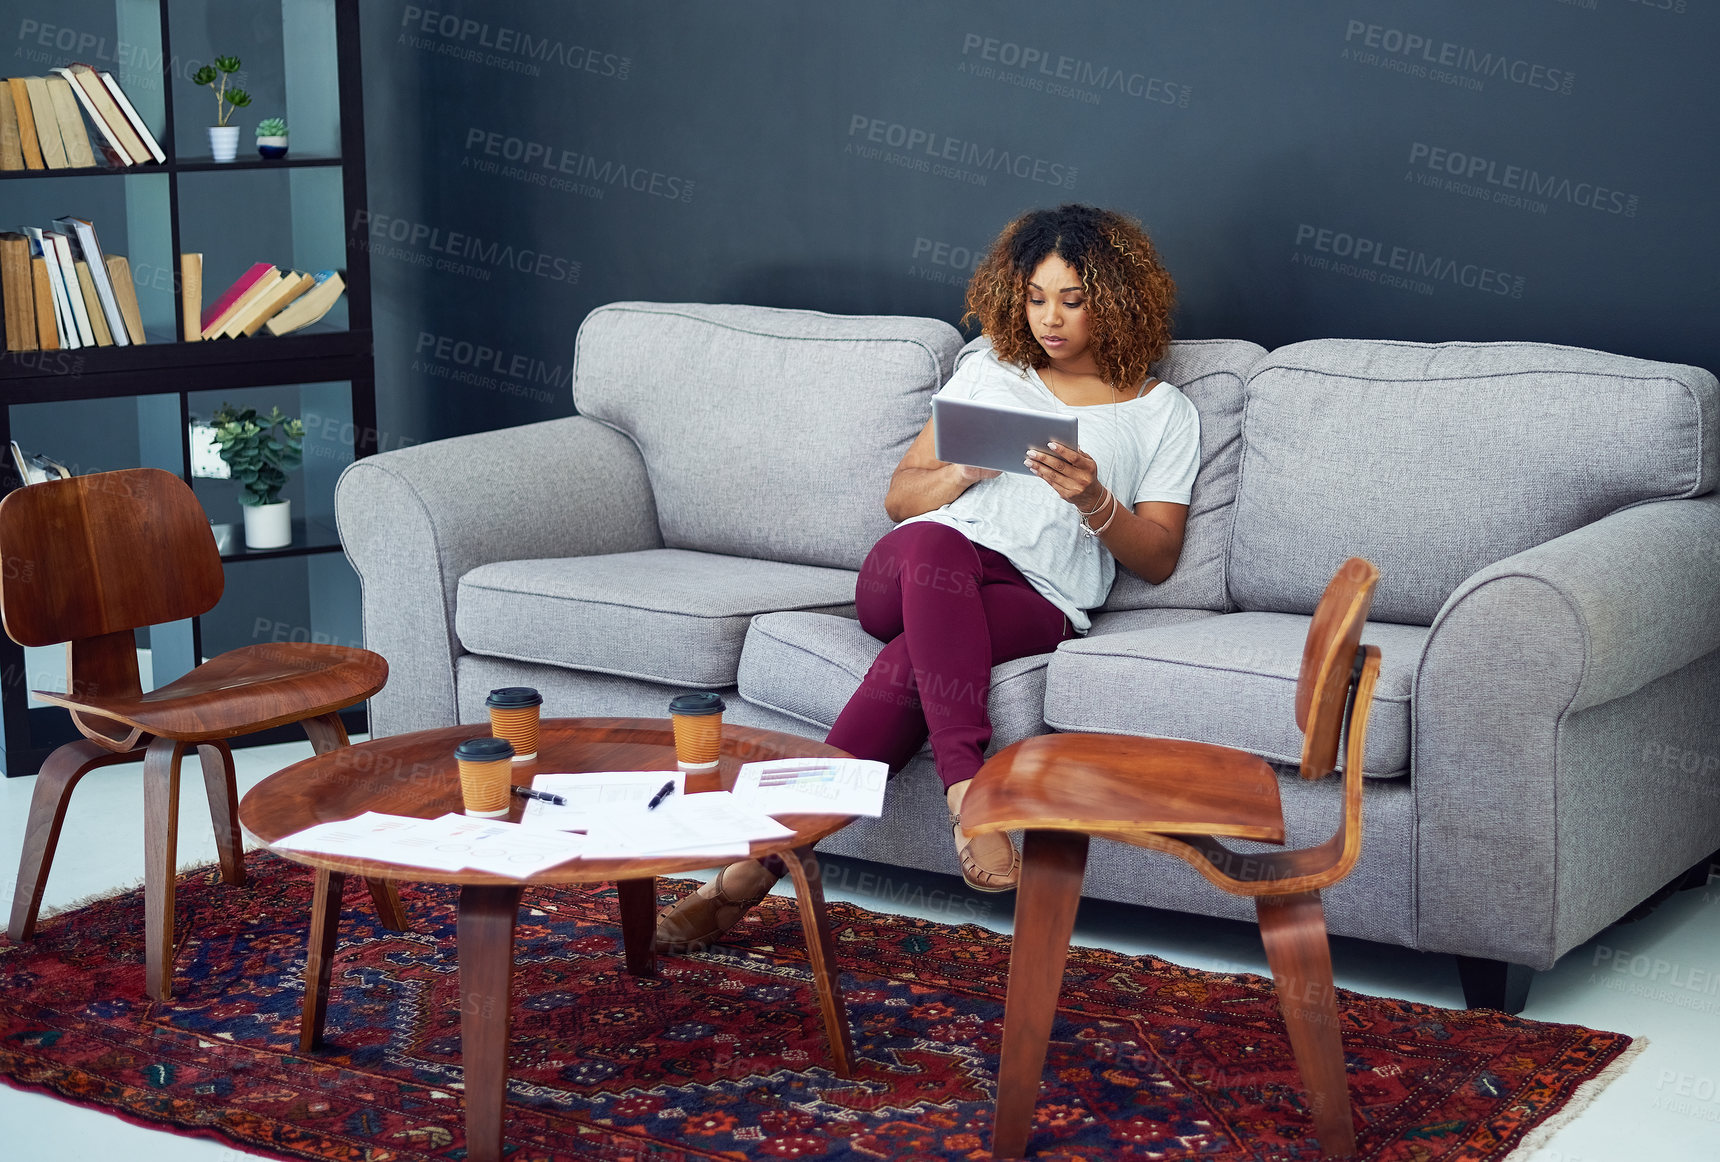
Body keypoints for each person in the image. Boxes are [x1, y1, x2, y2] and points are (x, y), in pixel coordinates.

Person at [655, 203, 1199, 952]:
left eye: (1072, 300)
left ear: (1116, 300)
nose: (1050, 319)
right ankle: (968, 790)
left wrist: (1095, 500)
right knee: (937, 548)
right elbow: (899, 500)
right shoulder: (990, 369)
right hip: (912, 568)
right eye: (1037, 297)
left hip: (1035, 599)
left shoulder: (1161, 412)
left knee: (916, 661)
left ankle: (748, 873)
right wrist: (959, 473)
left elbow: (1160, 556)